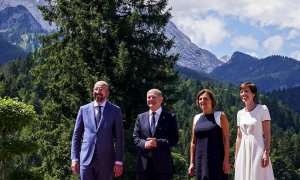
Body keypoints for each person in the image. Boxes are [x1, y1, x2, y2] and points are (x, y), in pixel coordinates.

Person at [71, 81, 124, 180]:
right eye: (96, 89)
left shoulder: (115, 110)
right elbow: (76, 136)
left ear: (107, 93)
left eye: (101, 89)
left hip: (106, 161)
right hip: (86, 160)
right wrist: (74, 158)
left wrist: (118, 161)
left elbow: (119, 138)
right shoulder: (83, 109)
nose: (98, 91)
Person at [133, 88, 179, 180]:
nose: (150, 99)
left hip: (163, 167)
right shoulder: (140, 117)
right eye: (148, 97)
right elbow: (135, 138)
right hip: (143, 166)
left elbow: (174, 138)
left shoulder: (170, 117)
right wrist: (145, 143)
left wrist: (157, 142)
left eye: (153, 97)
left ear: (161, 99)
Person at [234, 82, 274, 180]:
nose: (243, 94)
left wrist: (266, 152)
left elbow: (267, 134)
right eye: (241, 91)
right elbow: (239, 136)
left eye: (246, 91)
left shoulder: (262, 109)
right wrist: (236, 157)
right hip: (243, 150)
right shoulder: (240, 113)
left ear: (253, 94)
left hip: (258, 148)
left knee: (258, 175)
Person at [188, 89, 230, 180]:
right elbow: (193, 142)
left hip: (216, 160)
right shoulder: (196, 118)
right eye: (200, 99)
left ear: (212, 101)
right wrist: (191, 162)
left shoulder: (220, 116)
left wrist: (226, 160)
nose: (202, 101)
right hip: (200, 161)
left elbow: (226, 140)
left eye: (206, 98)